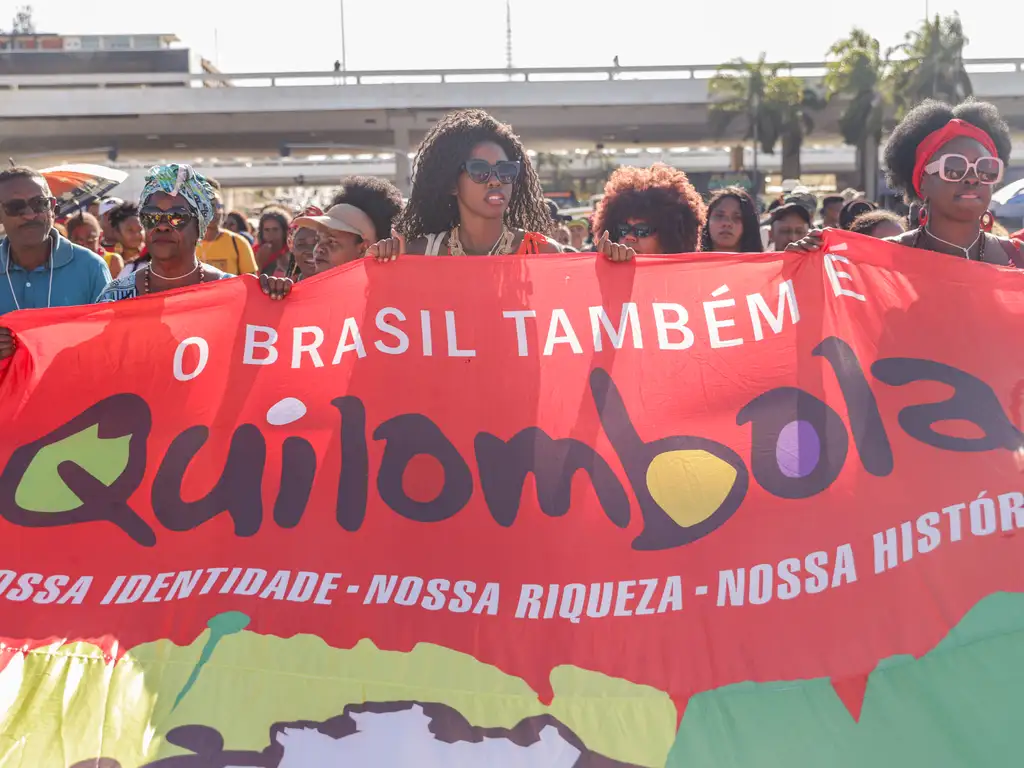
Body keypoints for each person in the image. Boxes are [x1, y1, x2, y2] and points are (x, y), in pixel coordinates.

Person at [789, 99, 1021, 266]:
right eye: (954, 168)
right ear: (921, 182)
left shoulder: (1018, 259)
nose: (972, 178)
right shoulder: (877, 262)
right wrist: (797, 266)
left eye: (986, 168)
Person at [371, 109, 559, 259]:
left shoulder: (543, 253)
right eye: (479, 170)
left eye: (505, 171)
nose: (495, 181)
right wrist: (385, 265)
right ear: (452, 184)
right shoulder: (420, 254)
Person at [97, 164, 291, 302]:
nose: (162, 226)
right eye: (151, 216)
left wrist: (276, 300)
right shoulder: (115, 297)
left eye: (176, 217)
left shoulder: (234, 294)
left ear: (199, 227)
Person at [0, 167, 111, 358]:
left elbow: (112, 342)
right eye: (16, 207)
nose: (30, 215)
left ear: (52, 208)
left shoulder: (91, 267)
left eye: (39, 204)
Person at [589, 164, 706, 262]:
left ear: (671, 235)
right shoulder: (603, 275)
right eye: (623, 229)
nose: (629, 237)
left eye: (642, 230)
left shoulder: (691, 281)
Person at [293, 203, 378, 273]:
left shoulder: (377, 291)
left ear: (362, 249)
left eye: (331, 241)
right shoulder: (305, 290)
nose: (318, 249)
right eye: (318, 240)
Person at [196, 188, 259, 275]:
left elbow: (250, 281)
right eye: (208, 206)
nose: (215, 211)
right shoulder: (188, 243)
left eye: (218, 206)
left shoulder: (238, 242)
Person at [700, 186, 763, 253]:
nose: (727, 223)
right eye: (719, 216)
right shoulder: (690, 262)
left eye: (737, 217)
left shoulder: (764, 263)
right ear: (707, 220)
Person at [66, 211, 125, 278]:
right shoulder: (64, 264)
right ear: (68, 241)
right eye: (79, 243)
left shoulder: (112, 261)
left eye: (90, 241)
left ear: (100, 236)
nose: (85, 247)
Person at [108, 202, 148, 277]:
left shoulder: (153, 257)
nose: (136, 234)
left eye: (140, 229)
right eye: (130, 230)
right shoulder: (110, 261)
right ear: (116, 232)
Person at [255, 208, 292, 274]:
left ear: (284, 232)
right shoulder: (255, 251)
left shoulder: (292, 251)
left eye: (275, 229)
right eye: (267, 230)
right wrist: (259, 262)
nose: (271, 234)